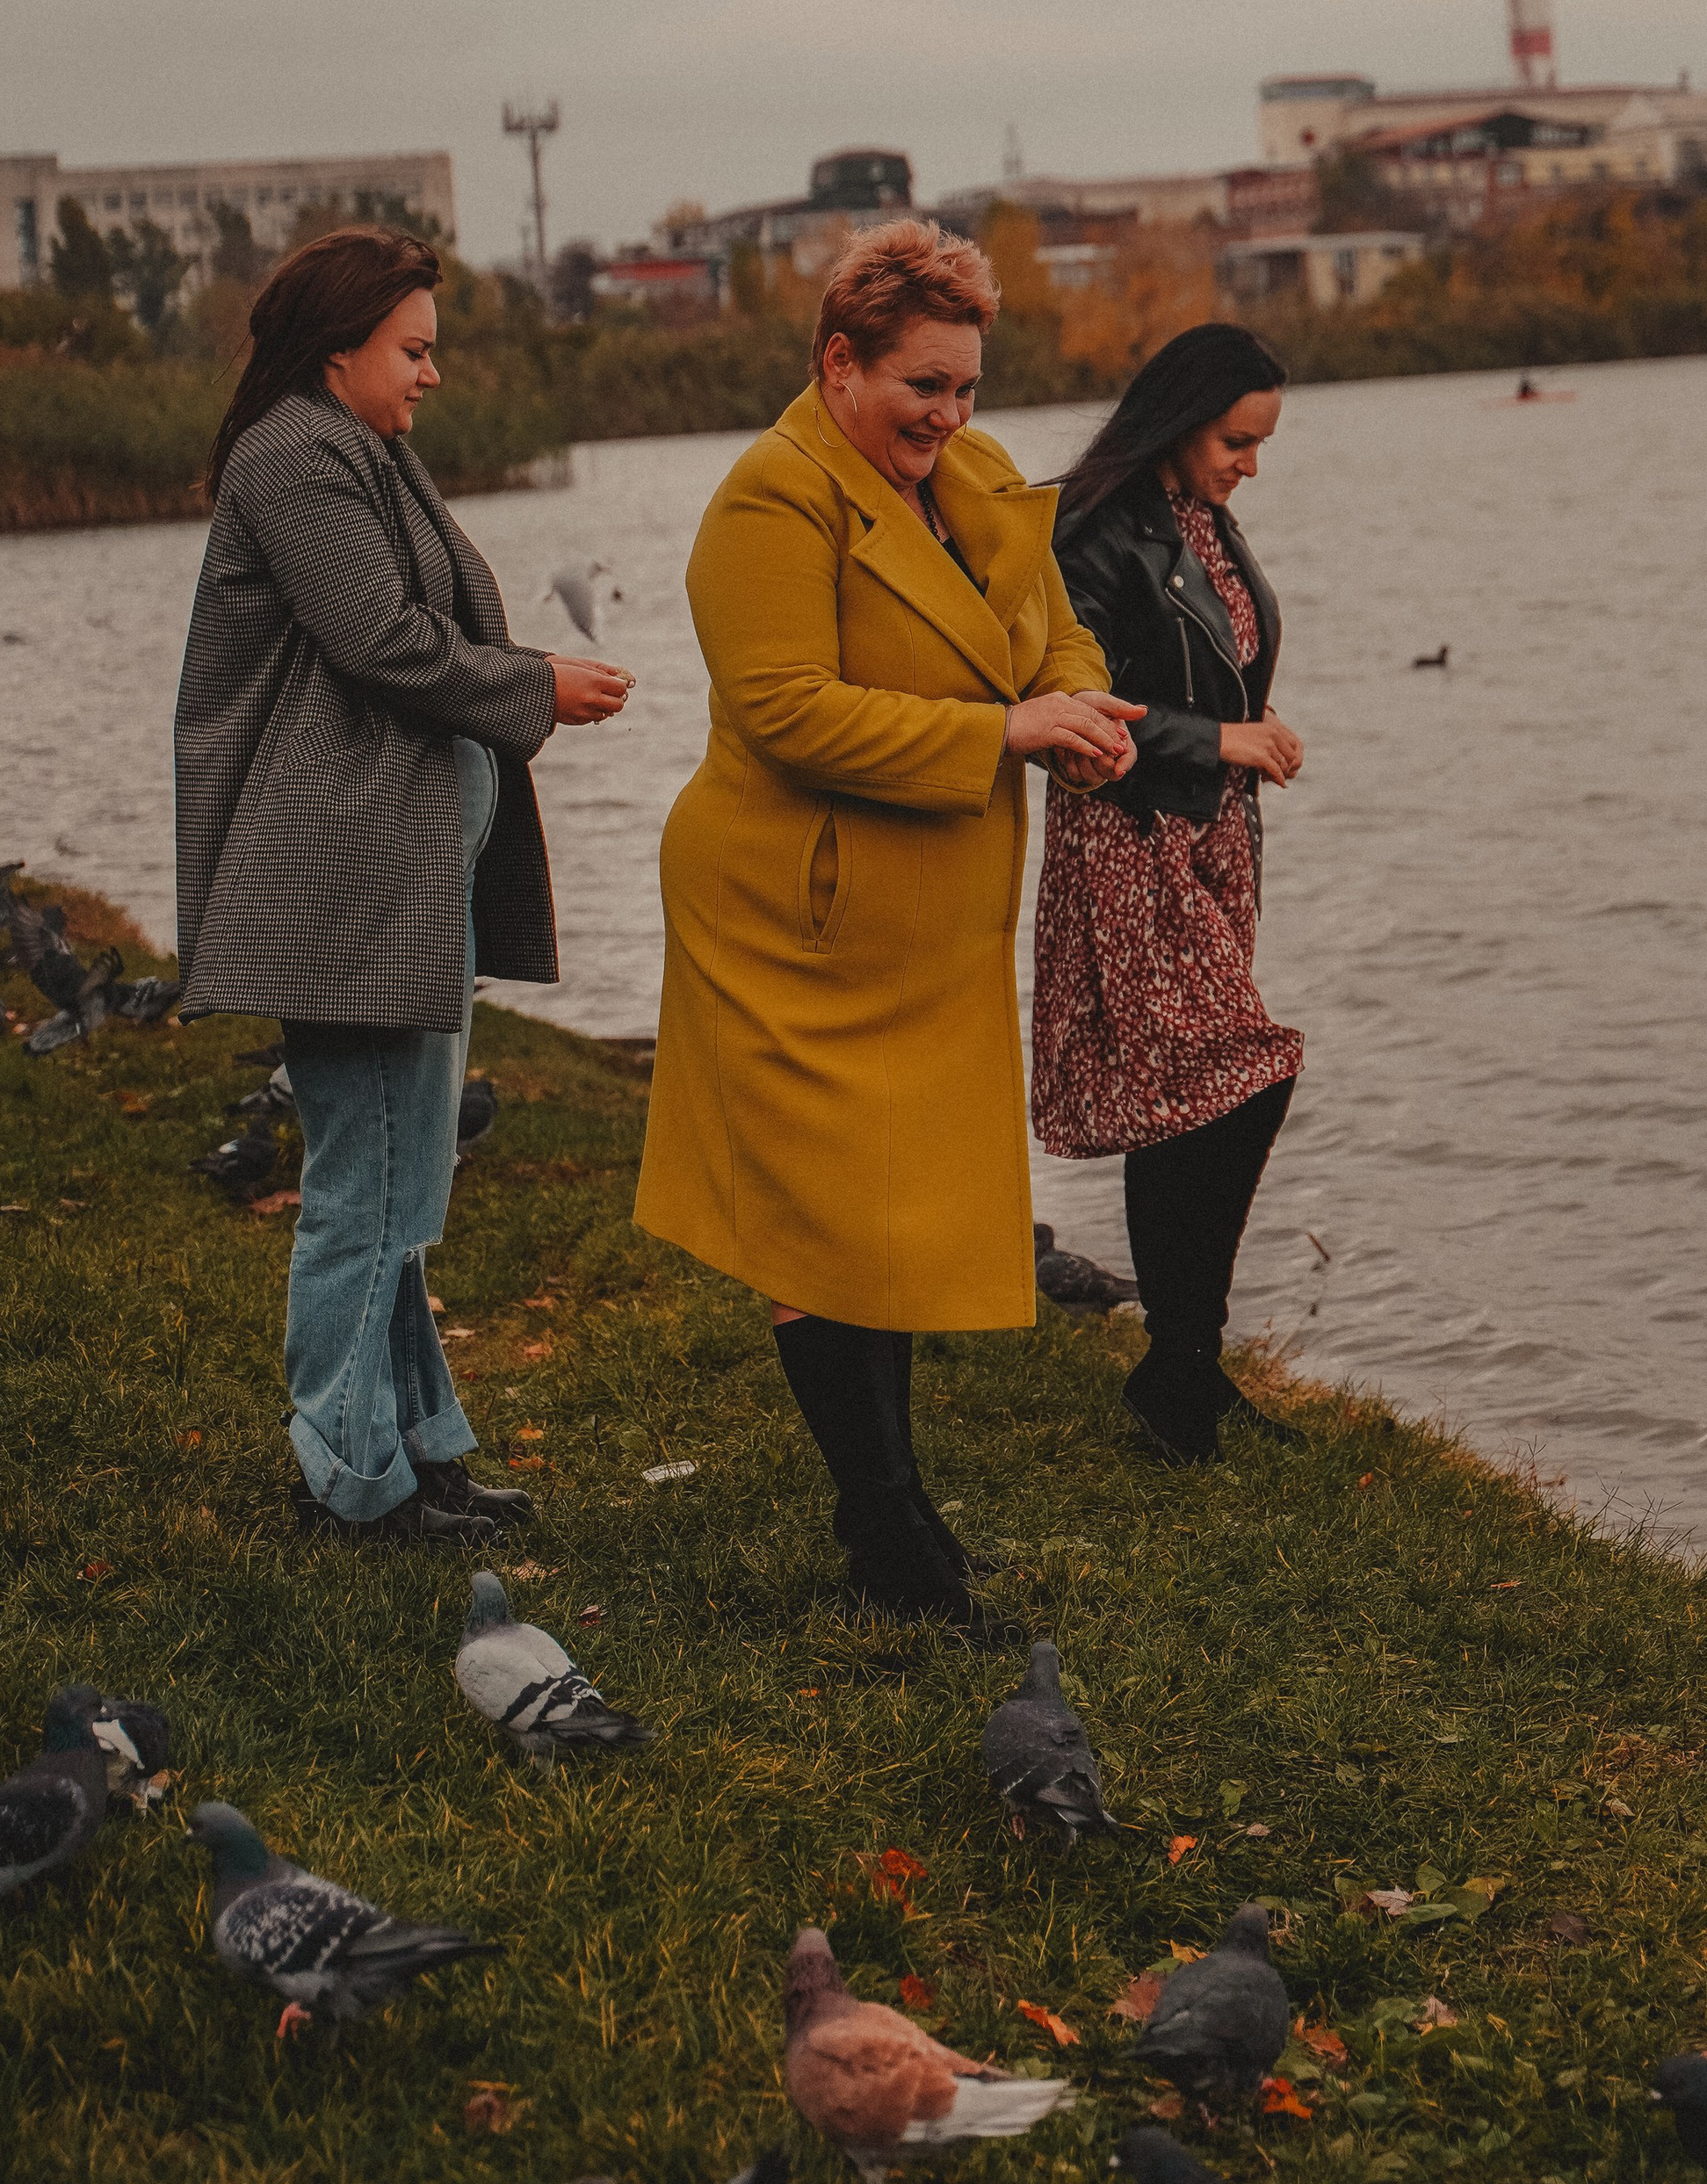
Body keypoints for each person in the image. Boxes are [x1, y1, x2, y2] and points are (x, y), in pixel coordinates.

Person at [635, 215, 1142, 1623]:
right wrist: (1005, 729)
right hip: (792, 913)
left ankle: (904, 1527)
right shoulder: (768, 500)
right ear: (838, 362)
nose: (951, 416)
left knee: (897, 1226)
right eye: (923, 385)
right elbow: (787, 711)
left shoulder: (966, 473)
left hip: (924, 920)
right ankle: (893, 1544)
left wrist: (1079, 706)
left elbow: (1055, 628)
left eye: (968, 386)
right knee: (821, 1233)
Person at [174, 226, 633, 1545]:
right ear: (341, 347)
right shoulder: (295, 459)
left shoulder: (365, 450)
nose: (433, 373)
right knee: (366, 1190)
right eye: (415, 349)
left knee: (401, 1187)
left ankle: (416, 1450)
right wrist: (537, 683)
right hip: (340, 891)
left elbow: (423, 623)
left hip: (393, 884)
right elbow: (380, 640)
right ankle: (349, 1479)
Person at [1031, 322, 1306, 1465]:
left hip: (1206, 842)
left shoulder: (1203, 521)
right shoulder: (1091, 531)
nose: (1252, 463)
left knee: (1196, 1097)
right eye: (1238, 440)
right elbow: (1073, 709)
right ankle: (1181, 1366)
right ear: (1183, 417)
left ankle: (1184, 1371)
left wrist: (1236, 762)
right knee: (1240, 1076)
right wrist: (1227, 742)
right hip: (1130, 840)